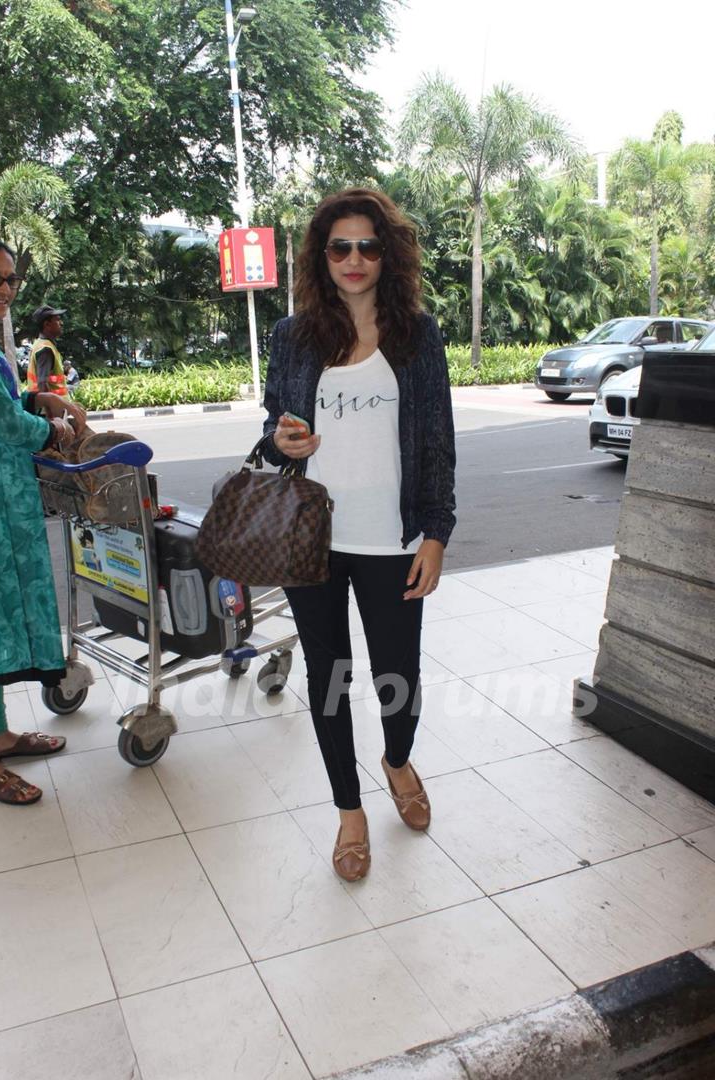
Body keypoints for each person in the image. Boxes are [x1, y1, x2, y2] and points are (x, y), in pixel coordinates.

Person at [261, 188, 456, 881]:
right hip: (311, 539)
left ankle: (396, 760)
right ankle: (350, 811)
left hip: (392, 539)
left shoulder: (417, 336)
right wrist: (286, 442)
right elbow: (272, 434)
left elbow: (437, 442)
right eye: (339, 246)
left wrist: (436, 532)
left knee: (398, 676)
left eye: (367, 246)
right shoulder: (292, 338)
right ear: (321, 255)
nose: (353, 258)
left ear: (387, 255)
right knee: (330, 679)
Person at [0, 240, 87, 805]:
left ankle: (0, 736)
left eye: (8, 279)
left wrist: (42, 403)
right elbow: (2, 423)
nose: (4, 289)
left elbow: (10, 404)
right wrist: (52, 429)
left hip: (8, 505)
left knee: (0, 627)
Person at [27, 304, 68, 397]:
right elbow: (42, 384)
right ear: (47, 324)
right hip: (49, 410)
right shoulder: (45, 349)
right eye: (57, 320)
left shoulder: (40, 344)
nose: (61, 323)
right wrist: (51, 410)